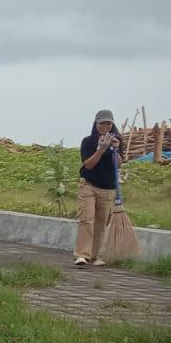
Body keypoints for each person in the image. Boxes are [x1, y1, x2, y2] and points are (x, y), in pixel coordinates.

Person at [74, 109, 120, 266]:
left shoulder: (116, 140)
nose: (105, 127)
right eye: (102, 123)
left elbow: (119, 165)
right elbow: (88, 165)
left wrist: (115, 149)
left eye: (108, 124)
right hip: (88, 185)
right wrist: (101, 149)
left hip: (107, 188)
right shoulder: (88, 142)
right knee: (86, 219)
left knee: (101, 223)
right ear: (96, 124)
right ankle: (82, 255)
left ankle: (95, 255)